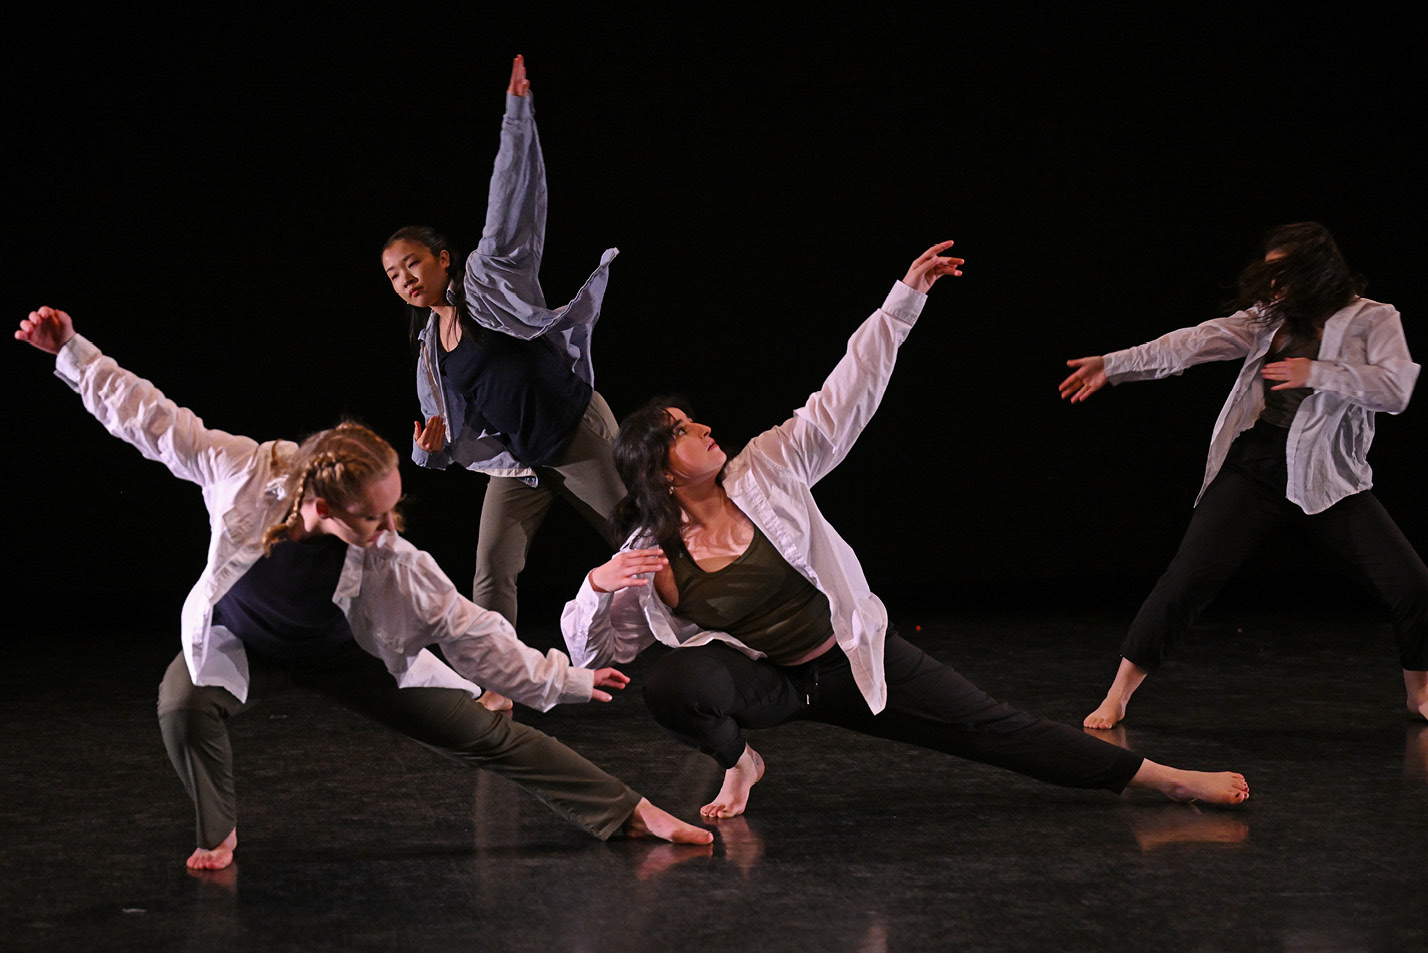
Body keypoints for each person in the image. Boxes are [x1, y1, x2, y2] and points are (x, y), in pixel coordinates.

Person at [561, 242, 1250, 819]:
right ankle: (742, 762)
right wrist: (596, 585)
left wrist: (903, 303)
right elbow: (591, 655)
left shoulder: (764, 467)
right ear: (663, 472)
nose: (705, 428)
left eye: (694, 420)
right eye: (683, 432)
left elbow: (840, 401)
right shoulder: (649, 557)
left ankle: (1165, 779)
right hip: (768, 685)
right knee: (673, 684)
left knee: (995, 729)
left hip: (853, 659)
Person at [15, 306, 711, 870]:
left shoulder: (394, 560)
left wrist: (568, 682)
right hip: (242, 641)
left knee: (486, 733)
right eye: (371, 517)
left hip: (351, 654)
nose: (388, 528)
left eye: (392, 510)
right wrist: (71, 352)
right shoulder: (245, 474)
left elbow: (471, 631)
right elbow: (154, 422)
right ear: (318, 503)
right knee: (181, 705)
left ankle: (628, 810)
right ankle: (218, 831)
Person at [1059, 222, 1428, 729]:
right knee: (1186, 579)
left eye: (1283, 275)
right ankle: (1118, 695)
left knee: (1412, 583)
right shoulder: (1270, 318)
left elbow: (1395, 390)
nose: (1274, 287)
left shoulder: (1374, 319)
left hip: (1329, 476)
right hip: (1255, 466)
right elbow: (1192, 343)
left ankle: (1420, 693)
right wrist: (1115, 364)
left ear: (1315, 273)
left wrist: (1315, 373)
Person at [381, 54, 624, 627]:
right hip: (522, 463)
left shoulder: (488, 281)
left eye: (412, 264)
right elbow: (441, 442)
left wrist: (517, 117)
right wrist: (427, 449)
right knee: (491, 567)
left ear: (443, 259)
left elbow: (511, 202)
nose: (405, 280)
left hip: (574, 432)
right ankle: (497, 684)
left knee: (639, 540)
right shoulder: (429, 354)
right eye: (393, 275)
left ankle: (720, 630)